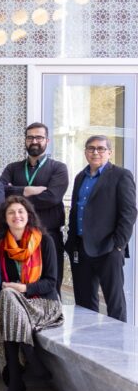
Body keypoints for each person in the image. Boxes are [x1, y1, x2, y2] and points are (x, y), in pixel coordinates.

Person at [0, 196, 64, 391]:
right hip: (15, 304)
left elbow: (51, 282)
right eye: (11, 212)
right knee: (7, 296)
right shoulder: (0, 246)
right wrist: (8, 288)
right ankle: (28, 355)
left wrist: (23, 288)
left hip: (44, 304)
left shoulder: (44, 241)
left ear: (29, 215)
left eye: (21, 212)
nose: (17, 216)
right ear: (5, 219)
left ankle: (17, 380)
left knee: (8, 299)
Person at [66, 136, 137, 322]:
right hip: (81, 249)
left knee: (114, 303)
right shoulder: (80, 177)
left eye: (100, 149)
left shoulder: (121, 175)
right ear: (85, 152)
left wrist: (118, 245)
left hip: (109, 249)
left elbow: (129, 213)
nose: (95, 152)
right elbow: (75, 210)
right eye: (91, 148)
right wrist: (72, 243)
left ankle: (117, 347)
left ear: (109, 152)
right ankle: (84, 346)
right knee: (84, 304)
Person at [0, 122, 69, 293]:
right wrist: (26, 189)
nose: (34, 141)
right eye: (30, 137)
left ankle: (49, 318)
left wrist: (14, 194)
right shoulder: (13, 167)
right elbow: (0, 190)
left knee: (50, 287)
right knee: (17, 286)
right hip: (16, 239)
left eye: (39, 137)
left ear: (47, 141)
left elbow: (52, 197)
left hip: (48, 237)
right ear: (25, 140)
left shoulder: (58, 168)